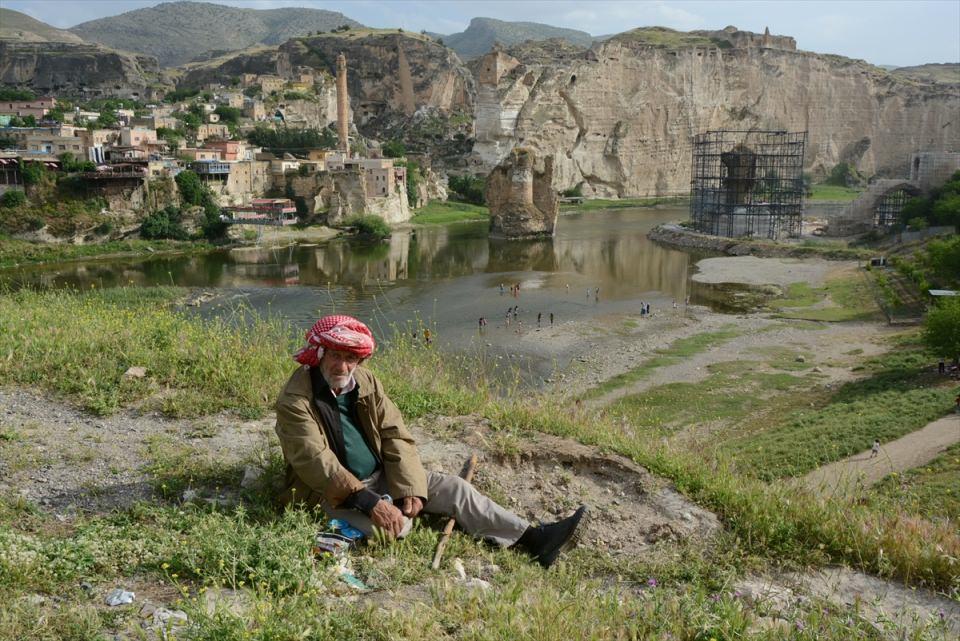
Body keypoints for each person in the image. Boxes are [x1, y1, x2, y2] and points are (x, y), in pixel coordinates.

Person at [275, 315, 587, 568]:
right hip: (331, 494)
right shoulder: (296, 398)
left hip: (379, 476)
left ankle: (533, 540)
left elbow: (394, 432)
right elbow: (315, 460)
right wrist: (369, 503)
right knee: (398, 528)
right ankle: (388, 509)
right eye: (334, 355)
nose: (341, 366)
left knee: (455, 488)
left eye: (349, 358)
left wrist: (409, 486)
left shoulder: (366, 382)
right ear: (320, 354)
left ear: (358, 361)